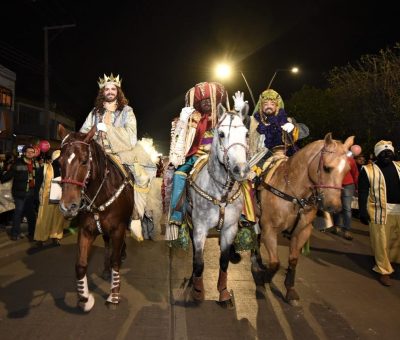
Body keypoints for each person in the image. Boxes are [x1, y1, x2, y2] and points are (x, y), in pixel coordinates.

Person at [80, 74, 150, 234]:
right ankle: (77, 206)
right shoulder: (94, 112)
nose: (110, 91)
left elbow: (132, 136)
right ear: (102, 92)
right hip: (97, 152)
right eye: (107, 89)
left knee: (141, 178)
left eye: (113, 89)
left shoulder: (127, 111)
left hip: (122, 153)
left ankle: (135, 217)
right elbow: (84, 132)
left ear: (118, 91)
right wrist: (93, 133)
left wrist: (109, 130)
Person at [166, 81, 230, 241]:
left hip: (219, 157)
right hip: (196, 156)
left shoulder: (224, 117)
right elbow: (179, 139)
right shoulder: (192, 118)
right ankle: (177, 214)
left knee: (240, 178)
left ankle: (243, 217)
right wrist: (181, 122)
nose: (207, 103)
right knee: (179, 175)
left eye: (210, 100)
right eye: (203, 101)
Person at [358, 140, 400, 286]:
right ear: (377, 155)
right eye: (383, 152)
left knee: (397, 241)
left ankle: (393, 263)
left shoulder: (399, 166)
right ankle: (384, 270)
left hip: (398, 210)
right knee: (381, 242)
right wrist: (362, 210)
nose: (387, 155)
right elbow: (363, 191)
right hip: (379, 212)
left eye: (389, 152)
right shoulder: (368, 170)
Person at [0, 145, 40, 241]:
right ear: (24, 153)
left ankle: (32, 233)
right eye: (28, 151)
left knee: (31, 215)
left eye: (32, 151)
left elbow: (39, 177)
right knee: (18, 213)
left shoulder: (36, 164)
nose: (30, 153)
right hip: (20, 193)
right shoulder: (17, 164)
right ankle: (15, 234)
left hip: (31, 193)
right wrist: (2, 176)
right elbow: (7, 176)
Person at [33, 150, 70, 247]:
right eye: (60, 157)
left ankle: (55, 237)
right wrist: (36, 197)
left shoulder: (66, 170)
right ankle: (41, 238)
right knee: (43, 219)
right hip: (46, 199)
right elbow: (37, 185)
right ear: (55, 158)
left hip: (60, 198)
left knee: (58, 219)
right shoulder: (44, 168)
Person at [332, 153, 359, 240]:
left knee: (347, 208)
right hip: (336, 185)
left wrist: (357, 186)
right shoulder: (333, 159)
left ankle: (347, 230)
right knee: (336, 206)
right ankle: (337, 227)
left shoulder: (350, 160)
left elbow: (355, 173)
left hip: (348, 185)